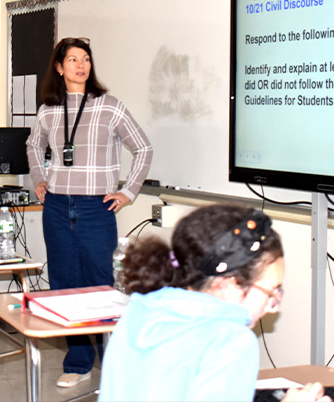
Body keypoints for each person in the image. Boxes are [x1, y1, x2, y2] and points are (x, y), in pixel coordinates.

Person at [99, 204, 330, 402]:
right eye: (271, 292)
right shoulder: (231, 340)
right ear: (227, 284)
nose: (274, 306)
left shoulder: (140, 310)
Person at [26, 37, 153, 387]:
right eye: (73, 59)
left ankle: (115, 366)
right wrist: (39, 177)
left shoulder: (109, 106)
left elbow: (142, 147)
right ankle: (79, 362)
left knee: (102, 286)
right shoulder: (48, 110)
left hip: (96, 207)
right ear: (59, 67)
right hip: (56, 206)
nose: (81, 65)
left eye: (86, 59)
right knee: (65, 284)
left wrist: (128, 192)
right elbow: (33, 145)